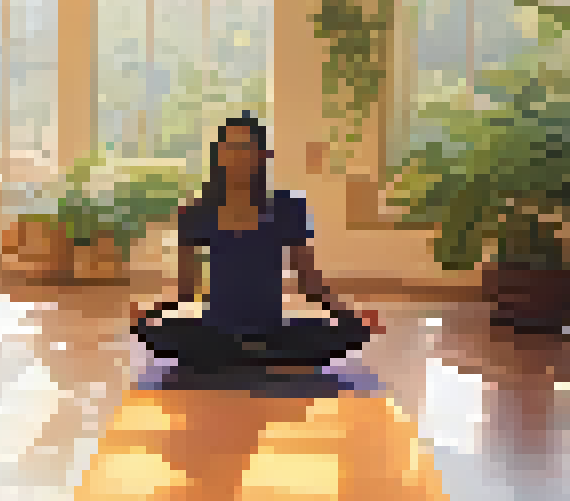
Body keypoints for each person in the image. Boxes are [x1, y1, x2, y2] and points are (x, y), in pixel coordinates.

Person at [131, 114, 382, 373]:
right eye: (230, 148)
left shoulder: (288, 207)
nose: (238, 156)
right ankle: (253, 355)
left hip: (272, 331)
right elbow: (186, 290)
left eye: (246, 148)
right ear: (219, 155)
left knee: (341, 334)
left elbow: (309, 283)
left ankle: (250, 354)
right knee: (159, 335)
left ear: (262, 155)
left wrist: (349, 316)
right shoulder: (196, 211)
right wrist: (150, 314)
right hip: (215, 334)